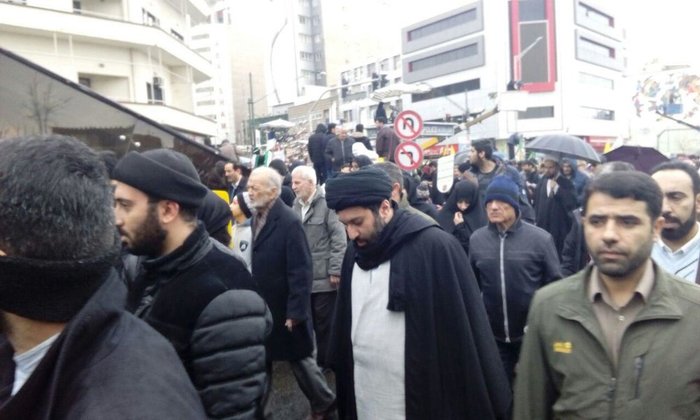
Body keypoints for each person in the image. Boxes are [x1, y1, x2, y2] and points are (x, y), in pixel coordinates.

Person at [0, 135, 207, 418]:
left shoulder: (129, 405)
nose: (116, 219)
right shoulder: (137, 271)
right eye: (114, 204)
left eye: (126, 205)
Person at [325, 167, 512, 420]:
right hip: (365, 389)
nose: (351, 233)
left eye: (357, 222)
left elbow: (463, 338)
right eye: (345, 224)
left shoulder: (434, 247)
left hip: (418, 394)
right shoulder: (354, 253)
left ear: (384, 208)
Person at [514, 171, 700, 419]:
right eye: (597, 221)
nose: (609, 234)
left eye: (628, 222)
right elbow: (530, 408)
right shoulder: (550, 306)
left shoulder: (694, 312)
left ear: (656, 228)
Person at [112, 149, 271, 419]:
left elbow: (233, 411)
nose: (116, 218)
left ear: (167, 210)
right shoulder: (143, 264)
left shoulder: (226, 295)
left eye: (126, 206)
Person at [247, 167, 336, 419]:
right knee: (262, 360)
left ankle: (325, 403)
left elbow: (301, 269)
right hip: (265, 305)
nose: (249, 192)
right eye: (249, 187)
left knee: (300, 359)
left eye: (255, 188)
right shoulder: (257, 217)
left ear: (273, 191)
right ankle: (261, 412)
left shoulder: (288, 221)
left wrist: (296, 311)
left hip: (285, 306)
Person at [469, 176, 562, 385]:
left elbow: (555, 286)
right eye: (489, 202)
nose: (493, 207)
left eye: (501, 201)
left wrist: (546, 327)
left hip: (531, 336)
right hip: (493, 337)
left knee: (531, 389)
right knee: (499, 391)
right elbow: (473, 286)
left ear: (514, 204)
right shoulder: (477, 240)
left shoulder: (540, 240)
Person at [291, 166, 347, 369]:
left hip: (324, 276)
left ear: (310, 182)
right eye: (292, 182)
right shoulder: (295, 205)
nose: (293, 186)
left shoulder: (327, 205)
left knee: (324, 323)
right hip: (304, 276)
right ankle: (315, 358)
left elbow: (339, 238)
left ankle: (326, 360)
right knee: (310, 321)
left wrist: (335, 269)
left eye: (297, 182)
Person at [650, 161, 700, 282]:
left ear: (698, 202)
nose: (664, 208)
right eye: (657, 198)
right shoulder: (636, 247)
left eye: (676, 197)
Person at [533, 154, 578, 259]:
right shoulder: (542, 181)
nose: (547, 170)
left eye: (550, 167)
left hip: (559, 227)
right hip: (543, 224)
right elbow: (537, 202)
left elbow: (572, 203)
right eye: (545, 167)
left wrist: (558, 190)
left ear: (557, 167)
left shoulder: (566, 183)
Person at [436, 180, 488, 257]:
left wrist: (460, 227)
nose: (463, 207)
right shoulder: (446, 214)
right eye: (460, 202)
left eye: (467, 203)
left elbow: (474, 246)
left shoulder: (480, 217)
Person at [231, 191, 254, 272]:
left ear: (244, 207)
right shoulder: (233, 228)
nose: (230, 206)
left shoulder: (252, 232)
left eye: (234, 203)